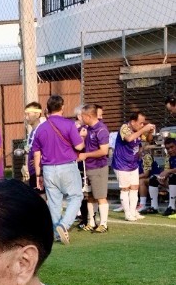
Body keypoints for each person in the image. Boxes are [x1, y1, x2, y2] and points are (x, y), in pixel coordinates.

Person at [31, 94, 84, 244]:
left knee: (54, 202)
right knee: (76, 196)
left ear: (47, 109)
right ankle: (64, 225)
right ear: (62, 107)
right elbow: (79, 146)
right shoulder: (69, 124)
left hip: (48, 169)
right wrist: (82, 137)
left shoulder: (41, 128)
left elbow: (36, 153)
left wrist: (38, 175)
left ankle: (57, 233)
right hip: (67, 166)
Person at [112, 110, 152, 223]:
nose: (142, 125)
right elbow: (129, 138)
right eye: (141, 123)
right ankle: (127, 214)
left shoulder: (139, 130)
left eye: (144, 123)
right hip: (121, 164)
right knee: (125, 189)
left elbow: (148, 140)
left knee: (134, 188)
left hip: (133, 163)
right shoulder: (124, 127)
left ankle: (133, 211)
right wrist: (143, 130)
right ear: (133, 122)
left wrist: (150, 132)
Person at [77, 104, 111, 233]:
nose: (81, 118)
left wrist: (86, 155)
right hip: (88, 167)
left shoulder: (101, 130)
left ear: (89, 116)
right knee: (90, 196)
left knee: (100, 196)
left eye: (83, 116)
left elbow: (104, 151)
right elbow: (81, 146)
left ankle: (103, 224)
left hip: (98, 167)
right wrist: (82, 137)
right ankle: (91, 222)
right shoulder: (87, 129)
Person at [151, 136, 176, 216]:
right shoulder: (169, 157)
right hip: (173, 183)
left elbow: (169, 171)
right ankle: (154, 207)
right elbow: (166, 171)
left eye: (172, 147)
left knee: (173, 177)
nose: (170, 150)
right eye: (168, 148)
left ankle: (172, 207)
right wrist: (163, 177)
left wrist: (168, 171)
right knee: (154, 179)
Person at [22, 101, 44, 187]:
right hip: (32, 171)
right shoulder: (32, 132)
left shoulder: (42, 130)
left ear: (37, 114)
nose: (26, 117)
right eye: (25, 114)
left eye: (28, 114)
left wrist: (40, 159)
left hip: (40, 171)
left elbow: (48, 148)